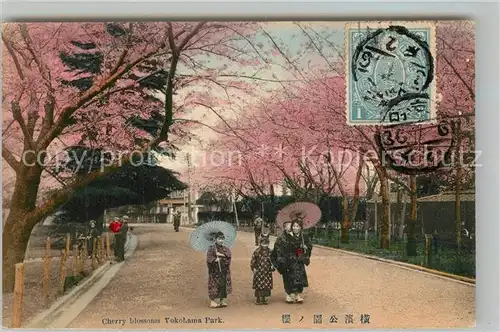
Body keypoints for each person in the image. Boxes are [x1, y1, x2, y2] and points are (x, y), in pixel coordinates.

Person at [272, 220, 312, 304]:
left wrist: (306, 248)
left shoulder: (303, 237)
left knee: (299, 277)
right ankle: (289, 294)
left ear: (301, 227)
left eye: (297, 226)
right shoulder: (287, 236)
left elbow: (309, 246)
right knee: (289, 277)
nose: (295, 228)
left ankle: (297, 295)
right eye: (294, 226)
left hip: (299, 260)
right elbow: (280, 247)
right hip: (288, 261)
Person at [206, 232, 232, 308]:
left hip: (223, 270)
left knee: (223, 285)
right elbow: (209, 259)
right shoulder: (212, 248)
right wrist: (214, 260)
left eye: (222, 239)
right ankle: (213, 301)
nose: (221, 241)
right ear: (215, 239)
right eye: (219, 239)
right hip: (215, 271)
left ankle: (222, 300)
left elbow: (229, 256)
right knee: (214, 284)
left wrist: (222, 255)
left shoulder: (225, 249)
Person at [251, 233, 275, 305]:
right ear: (260, 243)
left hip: (267, 272)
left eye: (266, 244)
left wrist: (272, 266)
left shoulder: (270, 252)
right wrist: (253, 268)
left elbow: (273, 261)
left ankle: (264, 299)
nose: (265, 245)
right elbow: (253, 260)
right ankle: (258, 299)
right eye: (263, 244)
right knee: (259, 285)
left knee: (266, 285)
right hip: (259, 271)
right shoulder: (257, 252)